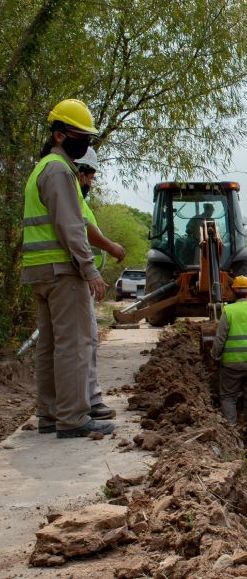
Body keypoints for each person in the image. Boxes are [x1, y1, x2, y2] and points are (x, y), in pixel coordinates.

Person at [21, 99, 115, 438]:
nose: (85, 143)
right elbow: (71, 227)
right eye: (81, 136)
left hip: (39, 270)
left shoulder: (41, 168)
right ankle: (73, 417)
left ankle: (49, 413)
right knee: (74, 344)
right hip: (62, 271)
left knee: (49, 345)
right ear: (59, 135)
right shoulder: (60, 171)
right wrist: (90, 270)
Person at [74, 146, 126, 420]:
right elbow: (82, 230)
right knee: (85, 339)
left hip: (62, 273)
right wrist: (111, 247)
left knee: (76, 341)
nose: (91, 182)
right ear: (82, 172)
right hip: (70, 276)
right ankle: (87, 402)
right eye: (91, 176)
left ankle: (65, 405)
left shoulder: (62, 189)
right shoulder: (71, 192)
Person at [210, 275, 247, 445]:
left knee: (228, 397)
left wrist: (214, 356)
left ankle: (232, 434)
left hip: (231, 365)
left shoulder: (229, 310)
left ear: (234, 291)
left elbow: (220, 339)